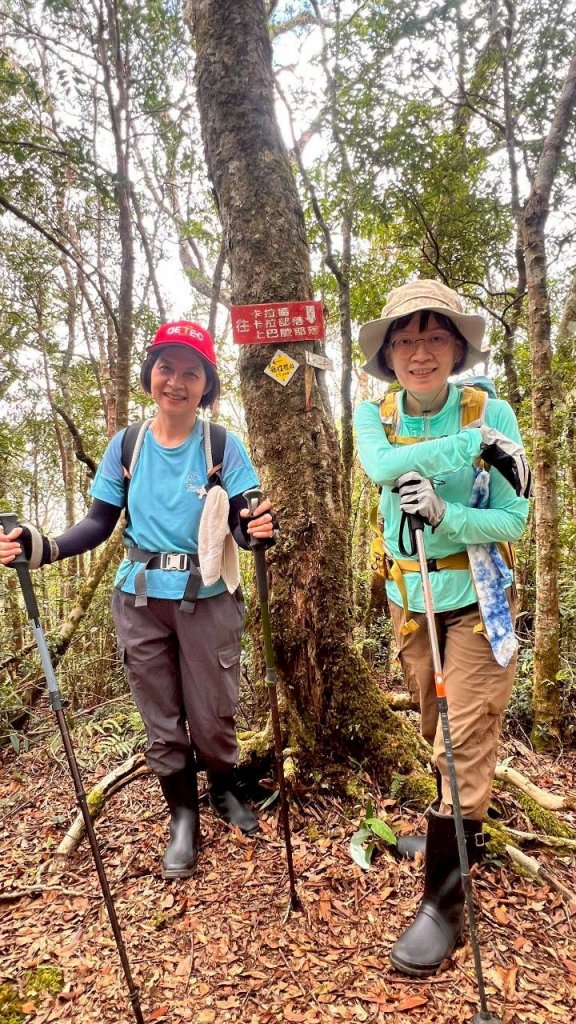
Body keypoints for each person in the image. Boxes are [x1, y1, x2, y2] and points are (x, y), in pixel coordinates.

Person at [0, 320, 276, 881]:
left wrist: (256, 529)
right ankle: (182, 815)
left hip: (209, 595)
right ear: (151, 373)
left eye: (191, 372)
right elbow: (100, 522)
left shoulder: (220, 444)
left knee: (213, 712)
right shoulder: (127, 445)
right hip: (140, 598)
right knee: (160, 717)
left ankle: (223, 788)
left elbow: (245, 518)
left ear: (207, 384)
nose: (175, 381)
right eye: (166, 368)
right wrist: (43, 546)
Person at [355, 280, 531, 977]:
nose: (420, 352)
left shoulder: (496, 410)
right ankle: (455, 836)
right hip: (412, 606)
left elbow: (515, 521)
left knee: (462, 743)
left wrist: (446, 516)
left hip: (476, 603)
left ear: (456, 346)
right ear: (389, 353)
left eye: (434, 337)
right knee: (437, 732)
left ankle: (443, 905)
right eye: (405, 338)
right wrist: (471, 448)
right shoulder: (379, 417)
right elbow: (380, 466)